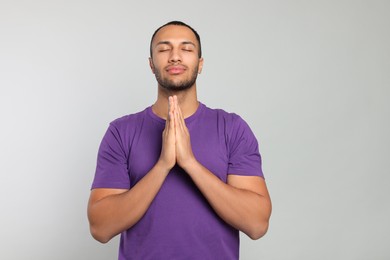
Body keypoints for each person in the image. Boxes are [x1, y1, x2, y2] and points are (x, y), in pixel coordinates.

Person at [88, 21, 272, 260]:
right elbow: (101, 229)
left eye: (186, 49)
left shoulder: (232, 128)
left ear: (200, 64)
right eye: (164, 49)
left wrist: (190, 163)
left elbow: (257, 225)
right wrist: (163, 165)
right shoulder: (121, 132)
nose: (175, 56)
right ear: (152, 64)